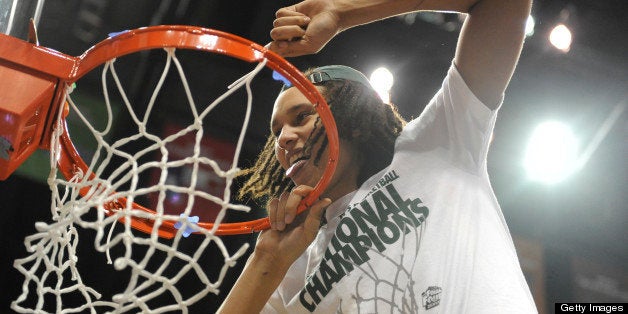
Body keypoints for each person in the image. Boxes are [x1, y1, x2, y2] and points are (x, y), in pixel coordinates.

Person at [219, 0, 537, 312]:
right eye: (276, 133)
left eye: (301, 117)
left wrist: (341, 11)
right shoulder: (292, 262)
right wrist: (265, 261)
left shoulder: (437, 145)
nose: (284, 139)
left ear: (352, 119)